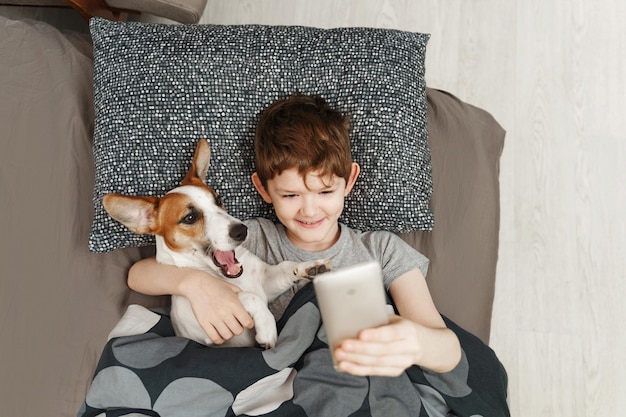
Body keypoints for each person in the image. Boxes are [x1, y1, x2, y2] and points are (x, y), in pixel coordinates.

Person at [128, 93, 461, 376]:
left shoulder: (383, 249)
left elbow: (448, 352)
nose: (310, 210)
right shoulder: (250, 239)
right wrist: (195, 285)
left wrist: (412, 340)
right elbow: (138, 276)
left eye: (326, 192)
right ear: (264, 189)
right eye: (290, 196)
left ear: (349, 181)